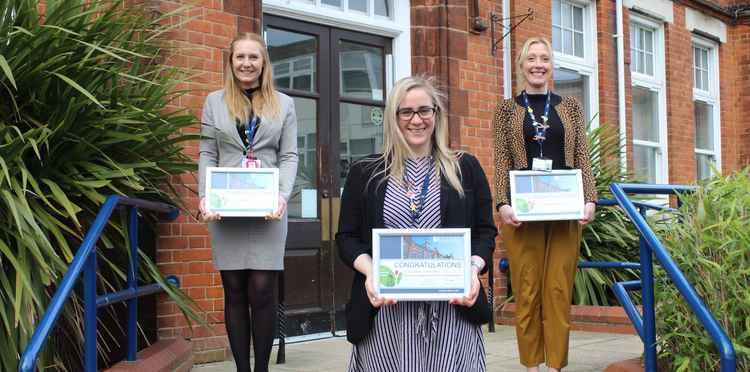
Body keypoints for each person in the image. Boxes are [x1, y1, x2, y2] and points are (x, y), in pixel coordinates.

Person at [336, 76, 497, 372]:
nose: (416, 120)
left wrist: (473, 270)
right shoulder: (365, 172)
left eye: (425, 110)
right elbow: (346, 237)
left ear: (436, 114)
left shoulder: (466, 168)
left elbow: (485, 232)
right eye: (406, 112)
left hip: (452, 314)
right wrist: (371, 272)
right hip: (385, 315)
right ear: (393, 118)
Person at [492, 36, 597, 372]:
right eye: (531, 58)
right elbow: (500, 160)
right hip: (522, 213)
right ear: (521, 65)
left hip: (564, 210)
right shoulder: (506, 109)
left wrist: (589, 199)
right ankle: (531, 366)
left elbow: (582, 155)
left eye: (544, 59)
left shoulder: (571, 107)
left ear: (552, 66)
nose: (538, 64)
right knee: (526, 291)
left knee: (556, 290)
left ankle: (554, 366)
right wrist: (503, 204)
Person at [198, 32, 298, 372]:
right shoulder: (214, 102)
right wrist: (205, 196)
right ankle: (242, 368)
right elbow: (207, 153)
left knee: (263, 290)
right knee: (235, 289)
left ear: (263, 63)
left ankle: (261, 369)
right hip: (226, 208)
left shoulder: (284, 104)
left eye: (253, 57)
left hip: (269, 209)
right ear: (230, 62)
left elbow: (289, 156)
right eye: (239, 57)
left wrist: (283, 196)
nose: (246, 63)